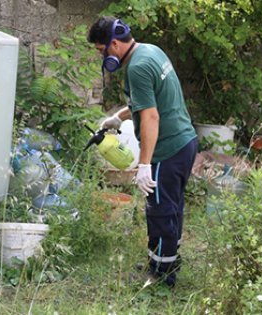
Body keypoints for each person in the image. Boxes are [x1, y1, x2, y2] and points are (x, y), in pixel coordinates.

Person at [88, 16, 198, 287]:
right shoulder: (151, 51)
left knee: (159, 211)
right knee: (172, 209)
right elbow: (148, 98)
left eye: (101, 51)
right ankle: (164, 260)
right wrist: (120, 117)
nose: (102, 57)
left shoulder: (135, 68)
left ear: (114, 44)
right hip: (186, 142)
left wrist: (145, 164)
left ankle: (161, 278)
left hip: (167, 150)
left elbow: (150, 116)